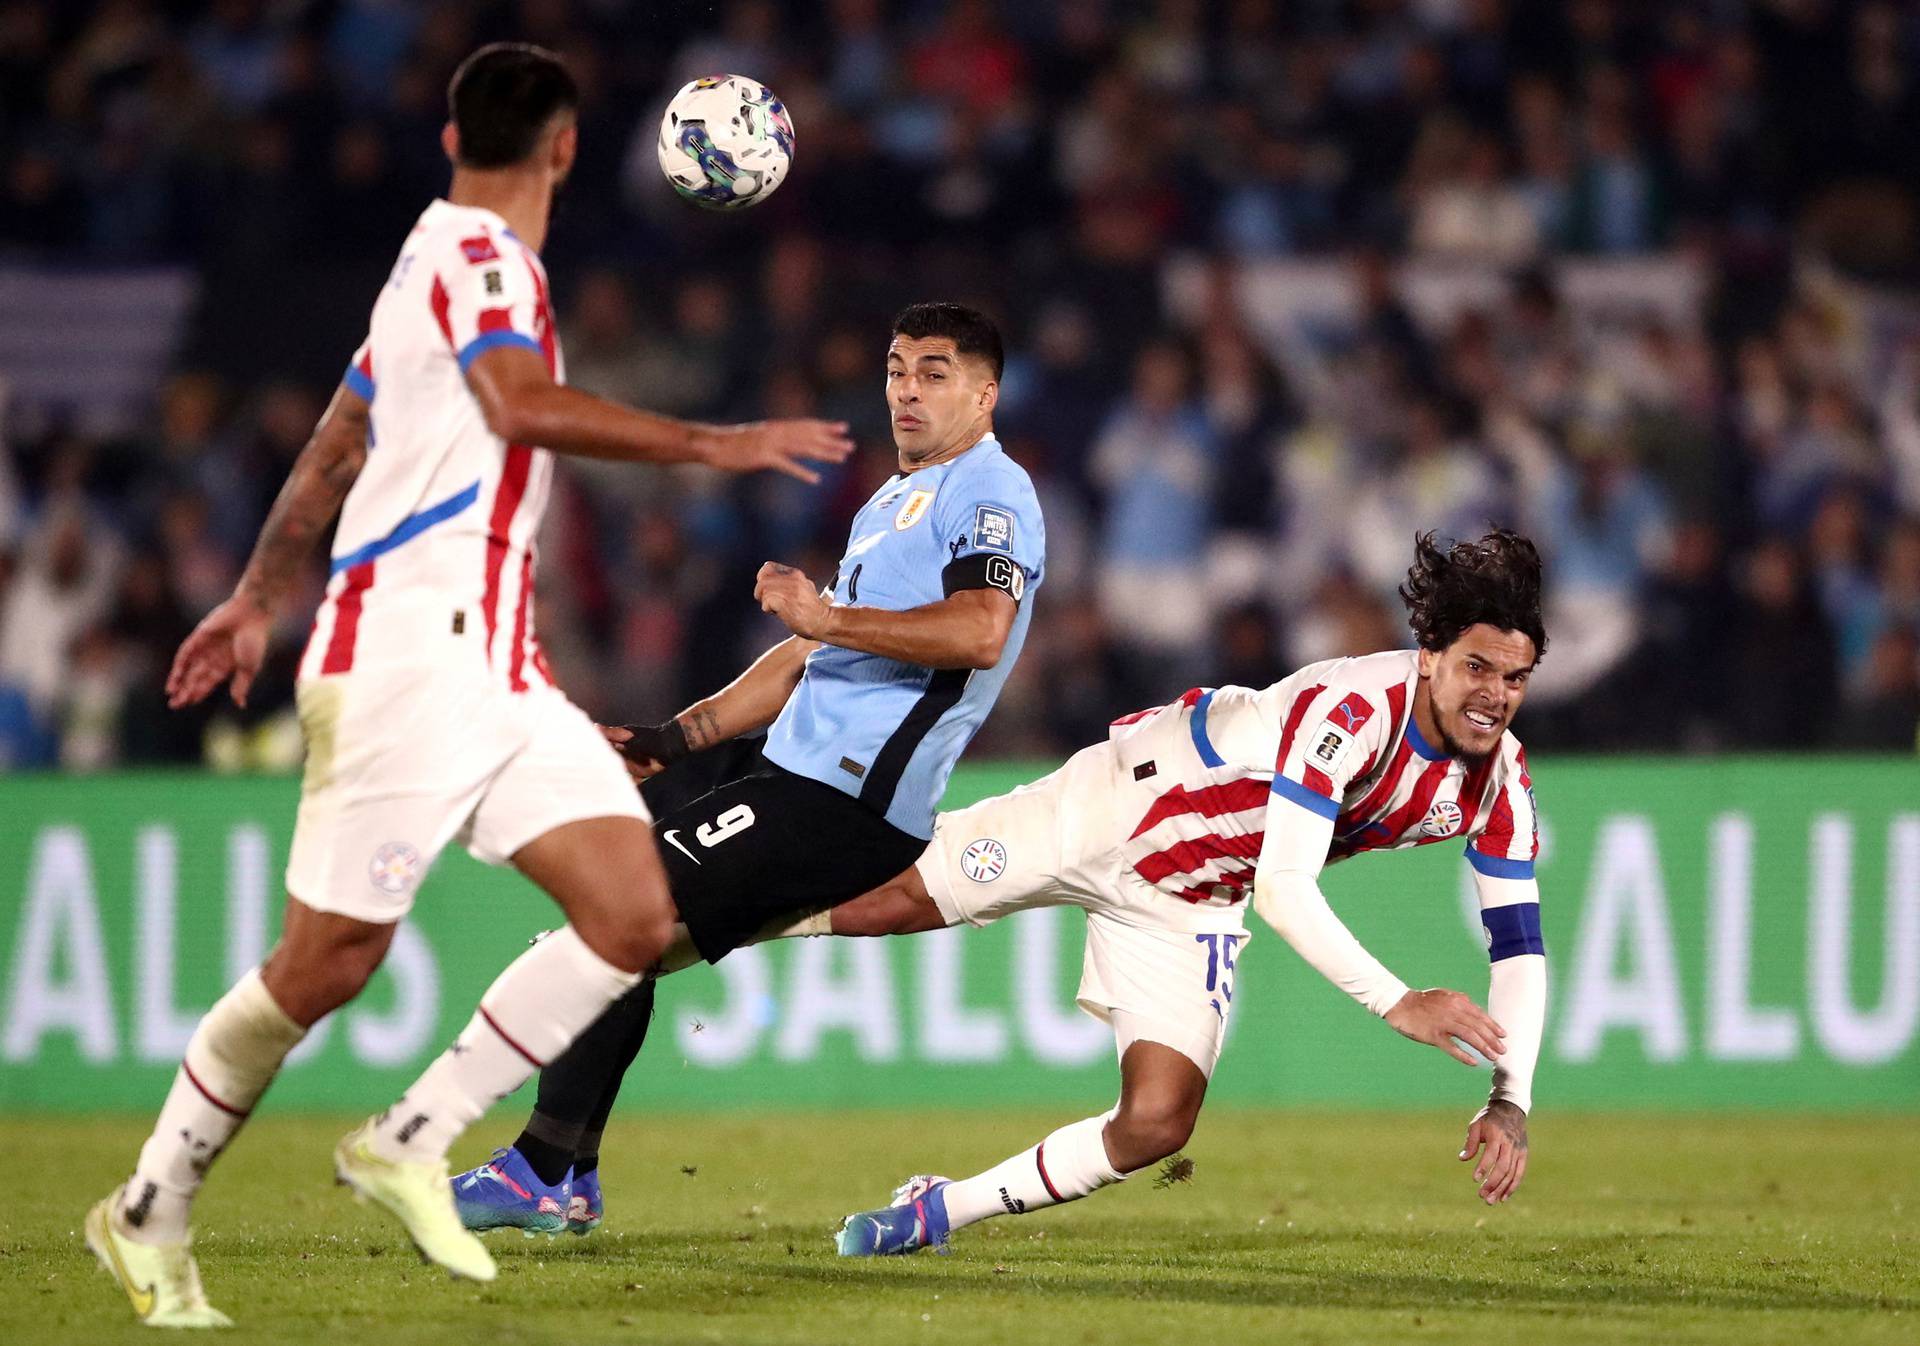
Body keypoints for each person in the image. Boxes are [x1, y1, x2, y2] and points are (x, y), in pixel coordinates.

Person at [84, 42, 850, 1328]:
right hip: (402, 659)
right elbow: (519, 402)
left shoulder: (424, 264)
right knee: (323, 964)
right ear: (561, 150)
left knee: (629, 913)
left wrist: (259, 591)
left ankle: (412, 1136)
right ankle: (150, 1204)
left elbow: (334, 446)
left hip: (494, 668)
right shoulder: (486, 265)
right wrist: (716, 441)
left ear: (451, 142)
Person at [450, 302, 1048, 1238]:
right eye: (897, 369)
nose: (907, 389)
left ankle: (538, 1170)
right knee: (599, 949)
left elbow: (979, 631)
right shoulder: (892, 502)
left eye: (934, 372)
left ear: (985, 391)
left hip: (849, 801)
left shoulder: (994, 494)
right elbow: (807, 659)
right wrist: (674, 737)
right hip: (791, 781)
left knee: (613, 927)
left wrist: (828, 619)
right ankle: (565, 1173)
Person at [829, 528, 1548, 1253]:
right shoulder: (1355, 709)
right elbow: (1285, 890)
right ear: (1430, 658)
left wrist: (1510, 1099)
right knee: (880, 901)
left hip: (1193, 894)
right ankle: (713, 917)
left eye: (1514, 679)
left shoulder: (1502, 784)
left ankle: (933, 1212)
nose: (1494, 696)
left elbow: (1520, 950)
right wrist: (1398, 1001)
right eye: (1477, 668)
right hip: (1124, 806)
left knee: (1156, 1123)